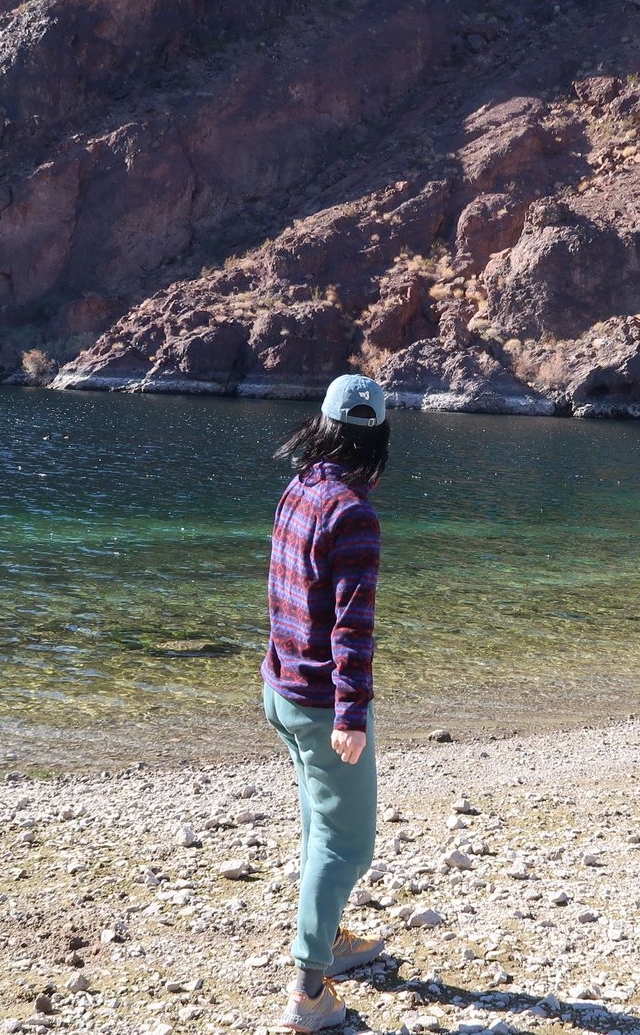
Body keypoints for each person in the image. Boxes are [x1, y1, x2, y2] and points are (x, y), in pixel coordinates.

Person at [262, 374, 392, 1032]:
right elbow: (351, 627)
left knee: (320, 821)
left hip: (280, 688)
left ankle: (332, 938)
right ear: (379, 438)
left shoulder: (300, 488)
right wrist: (349, 713)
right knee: (346, 844)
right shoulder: (354, 512)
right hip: (320, 702)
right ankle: (309, 992)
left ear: (322, 424)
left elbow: (285, 594)